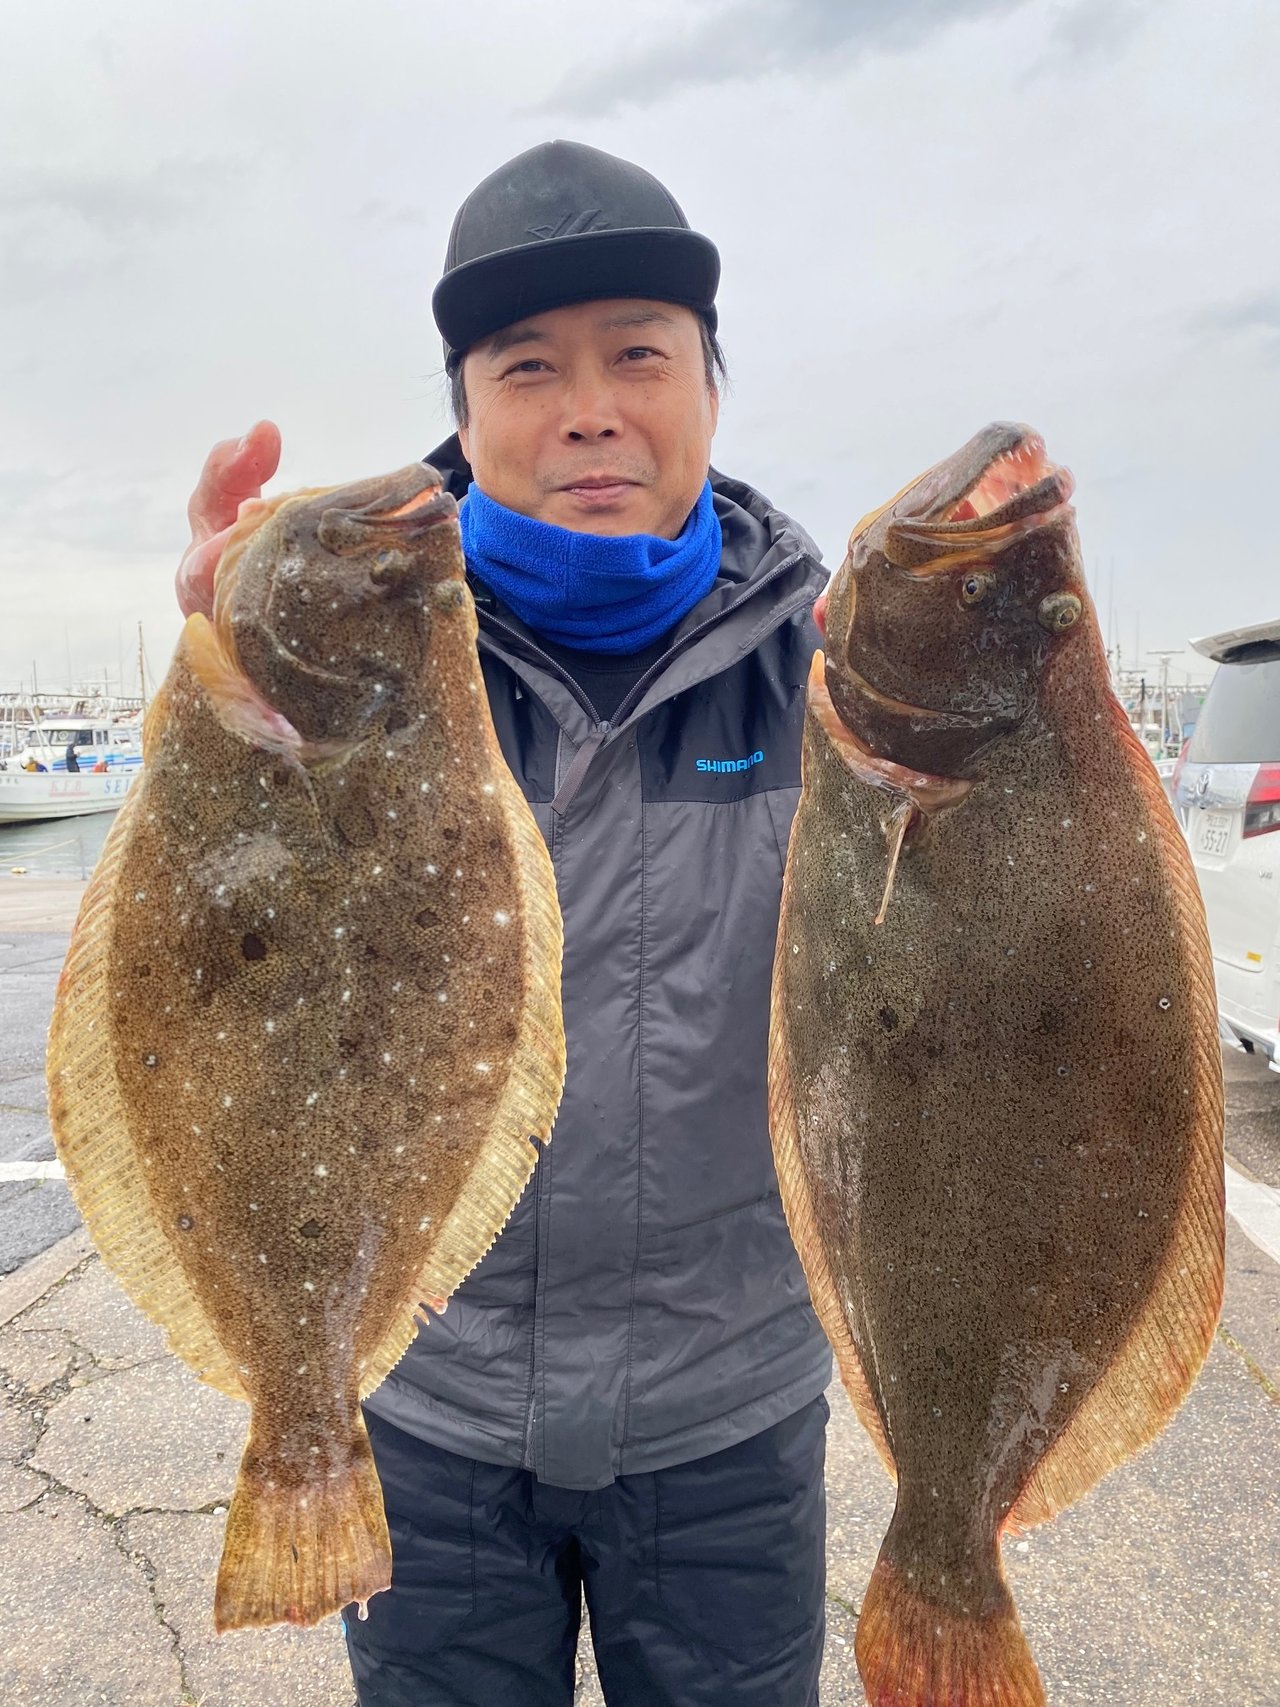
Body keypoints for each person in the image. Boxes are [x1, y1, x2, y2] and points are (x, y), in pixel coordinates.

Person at [176, 140, 832, 1707]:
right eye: (528, 367)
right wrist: (223, 682)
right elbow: (202, 967)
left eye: (639, 356)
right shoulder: (350, 657)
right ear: (464, 417)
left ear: (712, 388)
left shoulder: (837, 682)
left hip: (728, 1419)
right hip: (429, 1413)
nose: (589, 409)